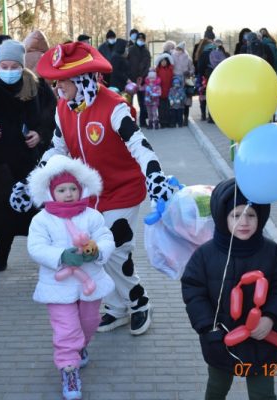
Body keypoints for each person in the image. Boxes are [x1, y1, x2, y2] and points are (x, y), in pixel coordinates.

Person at [29, 41, 175, 335]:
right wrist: (31, 181)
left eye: (62, 83)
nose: (58, 89)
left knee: (116, 248)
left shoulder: (114, 107)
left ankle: (139, 300)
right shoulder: (64, 108)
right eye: (55, 84)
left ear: (81, 79)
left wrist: (155, 176)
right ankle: (116, 306)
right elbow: (57, 148)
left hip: (123, 191)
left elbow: (140, 145)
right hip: (90, 195)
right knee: (92, 250)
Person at [181, 178, 277, 400]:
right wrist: (207, 327)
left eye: (251, 215)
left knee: (263, 393)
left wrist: (271, 318)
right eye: (236, 215)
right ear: (223, 218)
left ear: (260, 217)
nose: (244, 221)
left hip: (262, 339)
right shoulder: (205, 255)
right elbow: (193, 291)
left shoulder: (273, 254)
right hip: (220, 339)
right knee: (216, 387)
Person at [26, 155, 115, 400]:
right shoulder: (42, 219)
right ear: (51, 192)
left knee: (89, 321)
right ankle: (69, 369)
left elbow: (107, 238)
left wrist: (97, 250)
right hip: (58, 285)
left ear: (81, 189)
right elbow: (36, 247)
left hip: (89, 283)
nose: (68, 194)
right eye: (62, 190)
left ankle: (79, 348)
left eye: (73, 189)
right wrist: (61, 255)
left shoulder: (92, 215)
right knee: (66, 329)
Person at [0, 39, 42, 271]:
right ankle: (1, 253)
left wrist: (38, 134)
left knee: (36, 213)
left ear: (22, 66)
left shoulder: (34, 88)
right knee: (3, 214)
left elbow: (48, 119)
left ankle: (44, 255)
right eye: (4, 66)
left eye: (14, 66)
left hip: (28, 162)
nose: (9, 71)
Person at [23, 30, 58, 153]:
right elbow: (51, 117)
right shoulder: (47, 58)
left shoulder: (21, 58)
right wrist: (42, 135)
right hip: (38, 141)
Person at [128, 32, 151, 127]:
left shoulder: (146, 51)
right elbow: (127, 64)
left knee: (143, 103)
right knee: (129, 102)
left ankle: (142, 121)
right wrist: (129, 77)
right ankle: (130, 122)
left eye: (142, 40)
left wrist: (142, 76)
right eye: (139, 39)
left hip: (143, 80)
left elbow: (147, 65)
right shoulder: (131, 50)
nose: (140, 41)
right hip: (131, 79)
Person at [155, 53, 174, 128]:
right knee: (161, 109)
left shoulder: (170, 69)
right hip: (160, 93)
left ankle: (169, 122)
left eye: (165, 61)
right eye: (162, 61)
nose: (163, 63)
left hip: (169, 92)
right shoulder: (157, 70)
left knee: (168, 108)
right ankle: (162, 122)